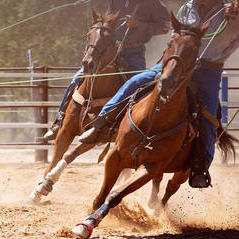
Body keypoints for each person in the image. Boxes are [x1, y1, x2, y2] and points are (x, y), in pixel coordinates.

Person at [78, 0, 239, 188]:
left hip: (208, 70)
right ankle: (100, 123)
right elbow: (175, 34)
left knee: (209, 117)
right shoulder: (187, 8)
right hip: (176, 62)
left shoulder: (233, 11)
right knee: (135, 82)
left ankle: (200, 166)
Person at [43, 0, 170, 141]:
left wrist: (139, 25)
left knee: (139, 86)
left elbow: (165, 26)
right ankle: (59, 121)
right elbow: (109, 20)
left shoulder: (153, 2)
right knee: (78, 78)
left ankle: (133, 129)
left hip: (134, 51)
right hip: (109, 49)